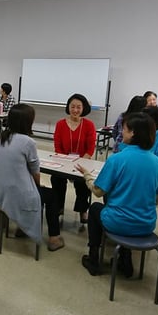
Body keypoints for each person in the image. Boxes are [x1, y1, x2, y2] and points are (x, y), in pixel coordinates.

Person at [76, 112, 158, 277]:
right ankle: (125, 260)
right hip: (146, 224)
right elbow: (157, 199)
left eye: (124, 129)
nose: (121, 132)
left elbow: (98, 191)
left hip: (118, 222)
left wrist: (87, 175)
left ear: (132, 133)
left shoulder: (117, 159)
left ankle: (94, 258)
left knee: (95, 208)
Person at [0, 104, 65, 251]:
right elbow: (35, 171)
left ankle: (22, 227)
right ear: (28, 122)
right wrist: (38, 185)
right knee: (52, 196)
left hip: (2, 193)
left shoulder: (2, 137)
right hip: (20, 194)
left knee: (34, 190)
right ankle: (54, 237)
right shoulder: (28, 142)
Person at [50, 93, 96, 223]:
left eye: (78, 107)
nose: (75, 110)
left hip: (83, 162)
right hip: (63, 161)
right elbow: (57, 147)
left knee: (83, 181)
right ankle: (58, 206)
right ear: (68, 107)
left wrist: (78, 164)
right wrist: (67, 164)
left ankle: (83, 210)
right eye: (72, 106)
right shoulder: (60, 124)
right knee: (56, 178)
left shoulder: (89, 125)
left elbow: (90, 149)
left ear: (83, 108)